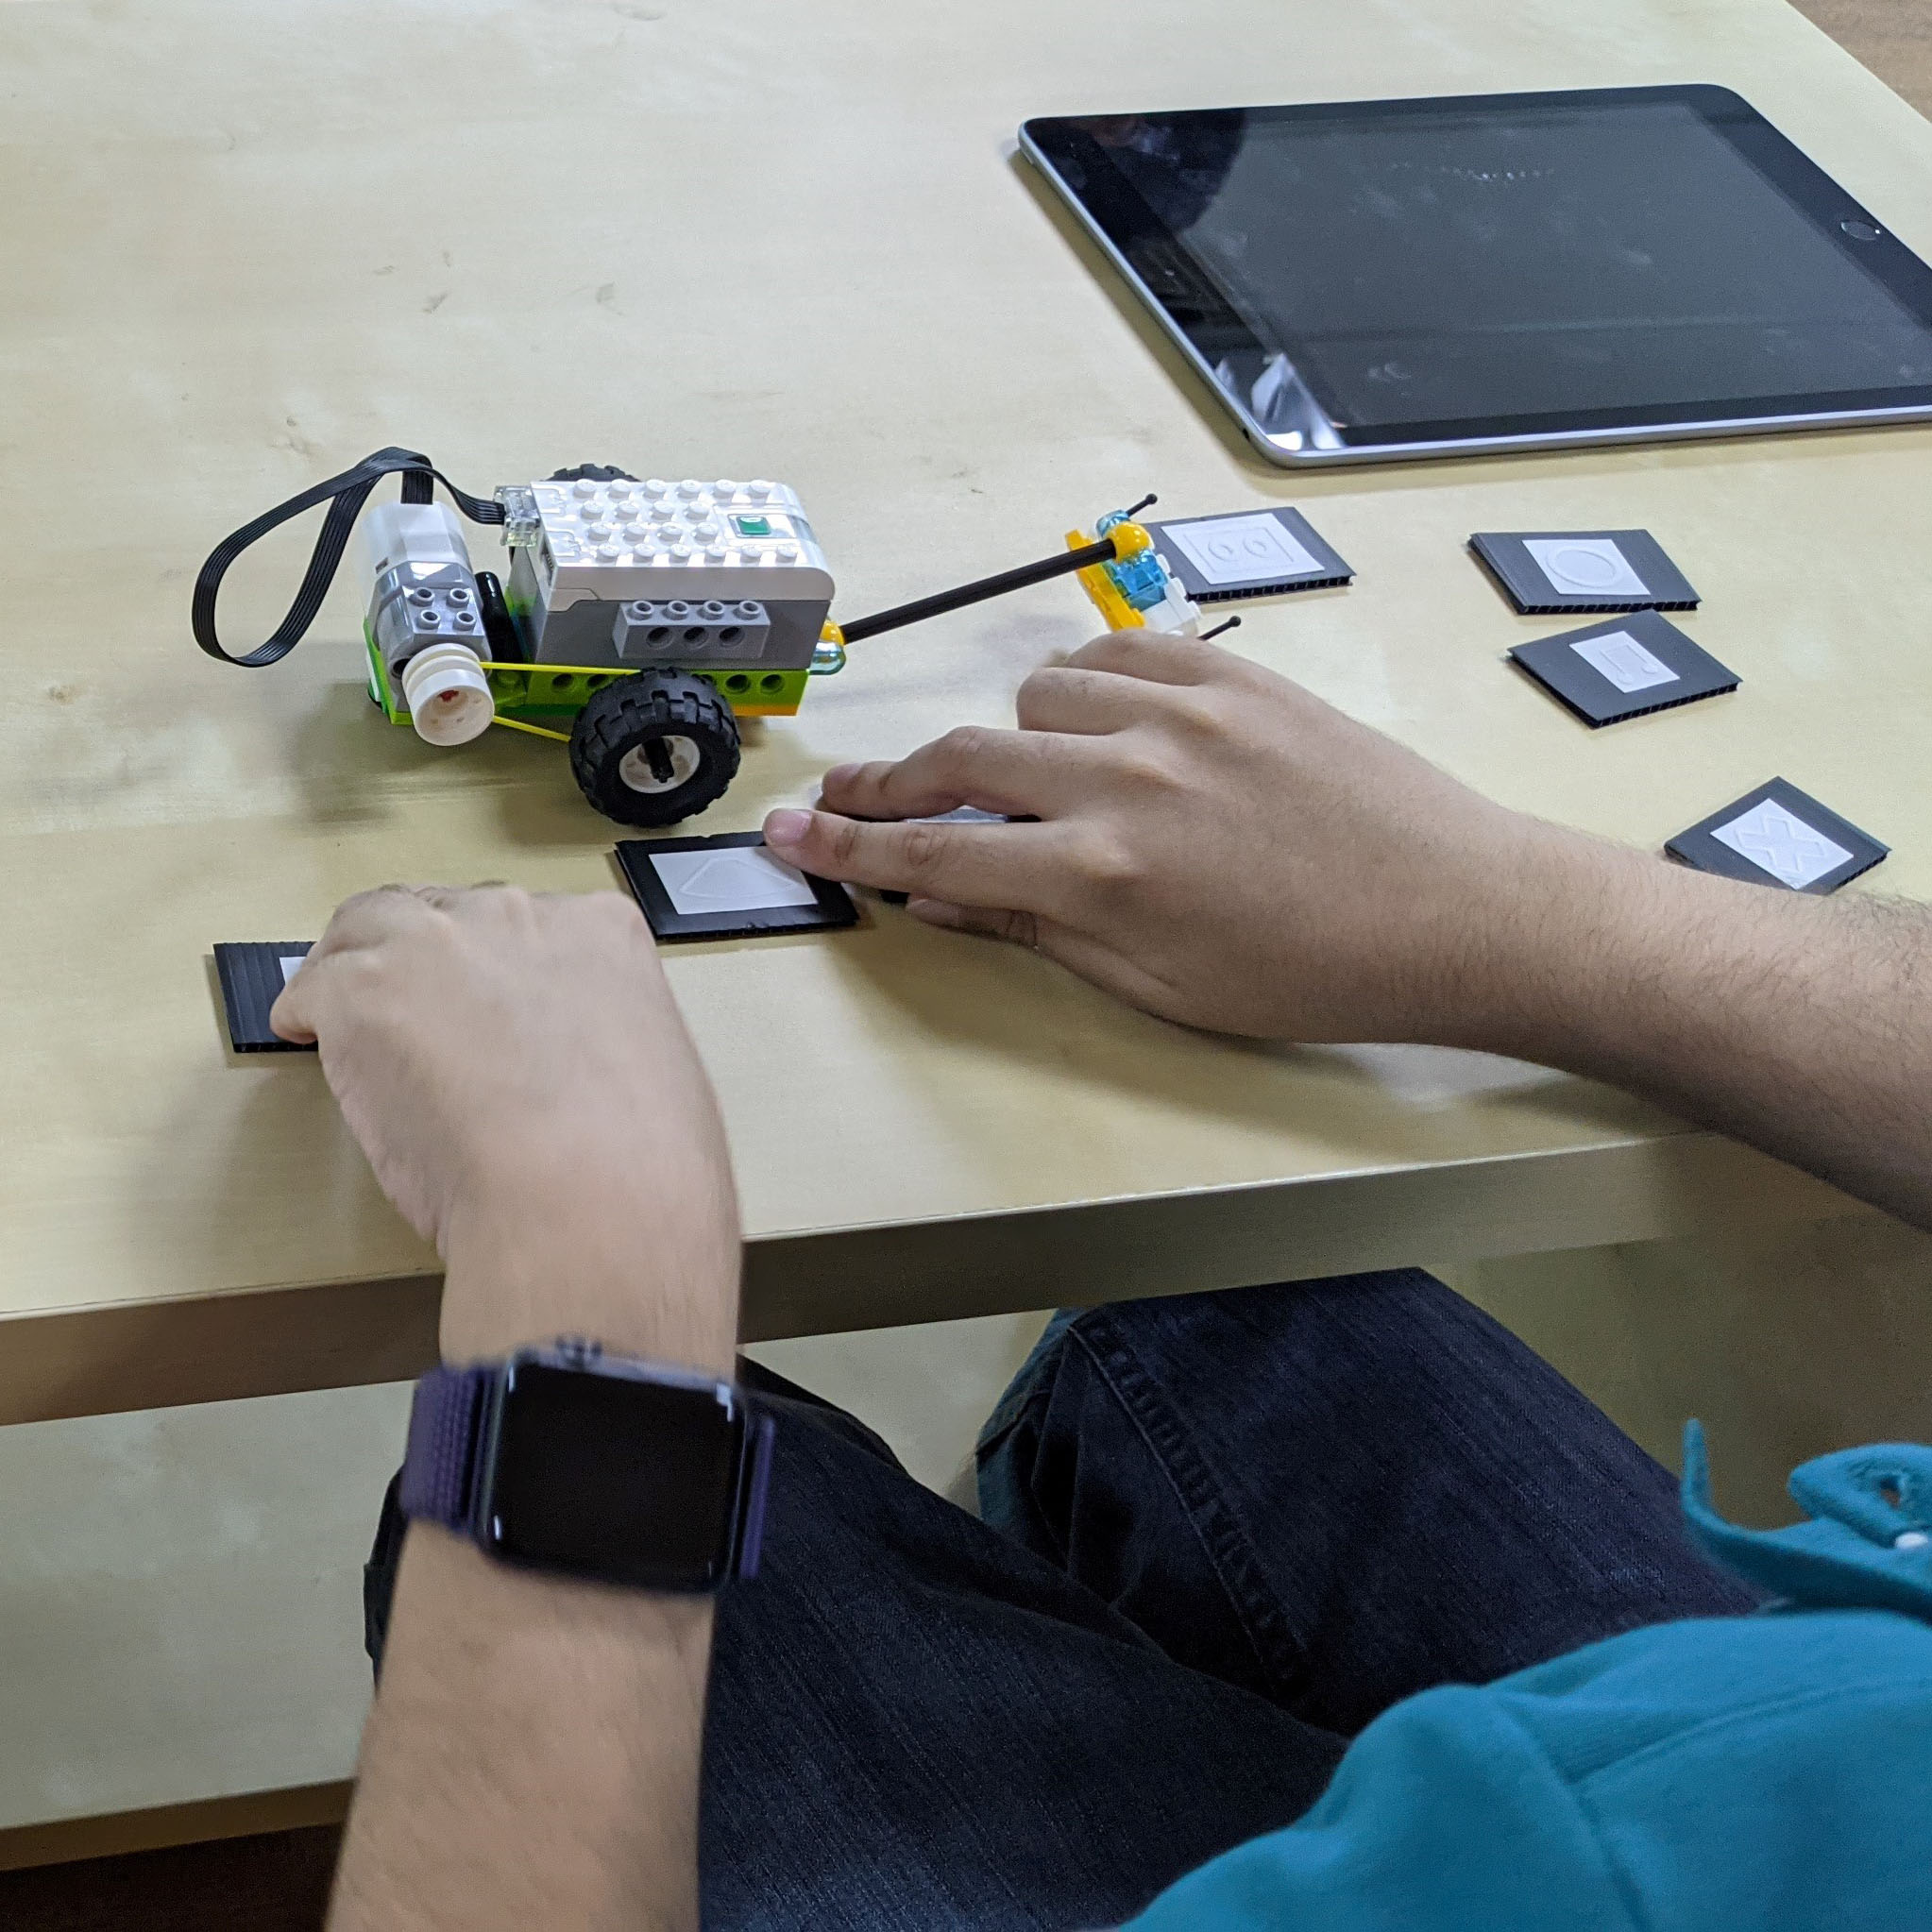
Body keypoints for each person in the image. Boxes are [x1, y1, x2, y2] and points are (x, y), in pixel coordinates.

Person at [275, 631, 1932, 1931]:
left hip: (1753, 1832)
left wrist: (592, 1262)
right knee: (1262, 1301)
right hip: (1853, 1700)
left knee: (719, 1533)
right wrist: (1519, 910)